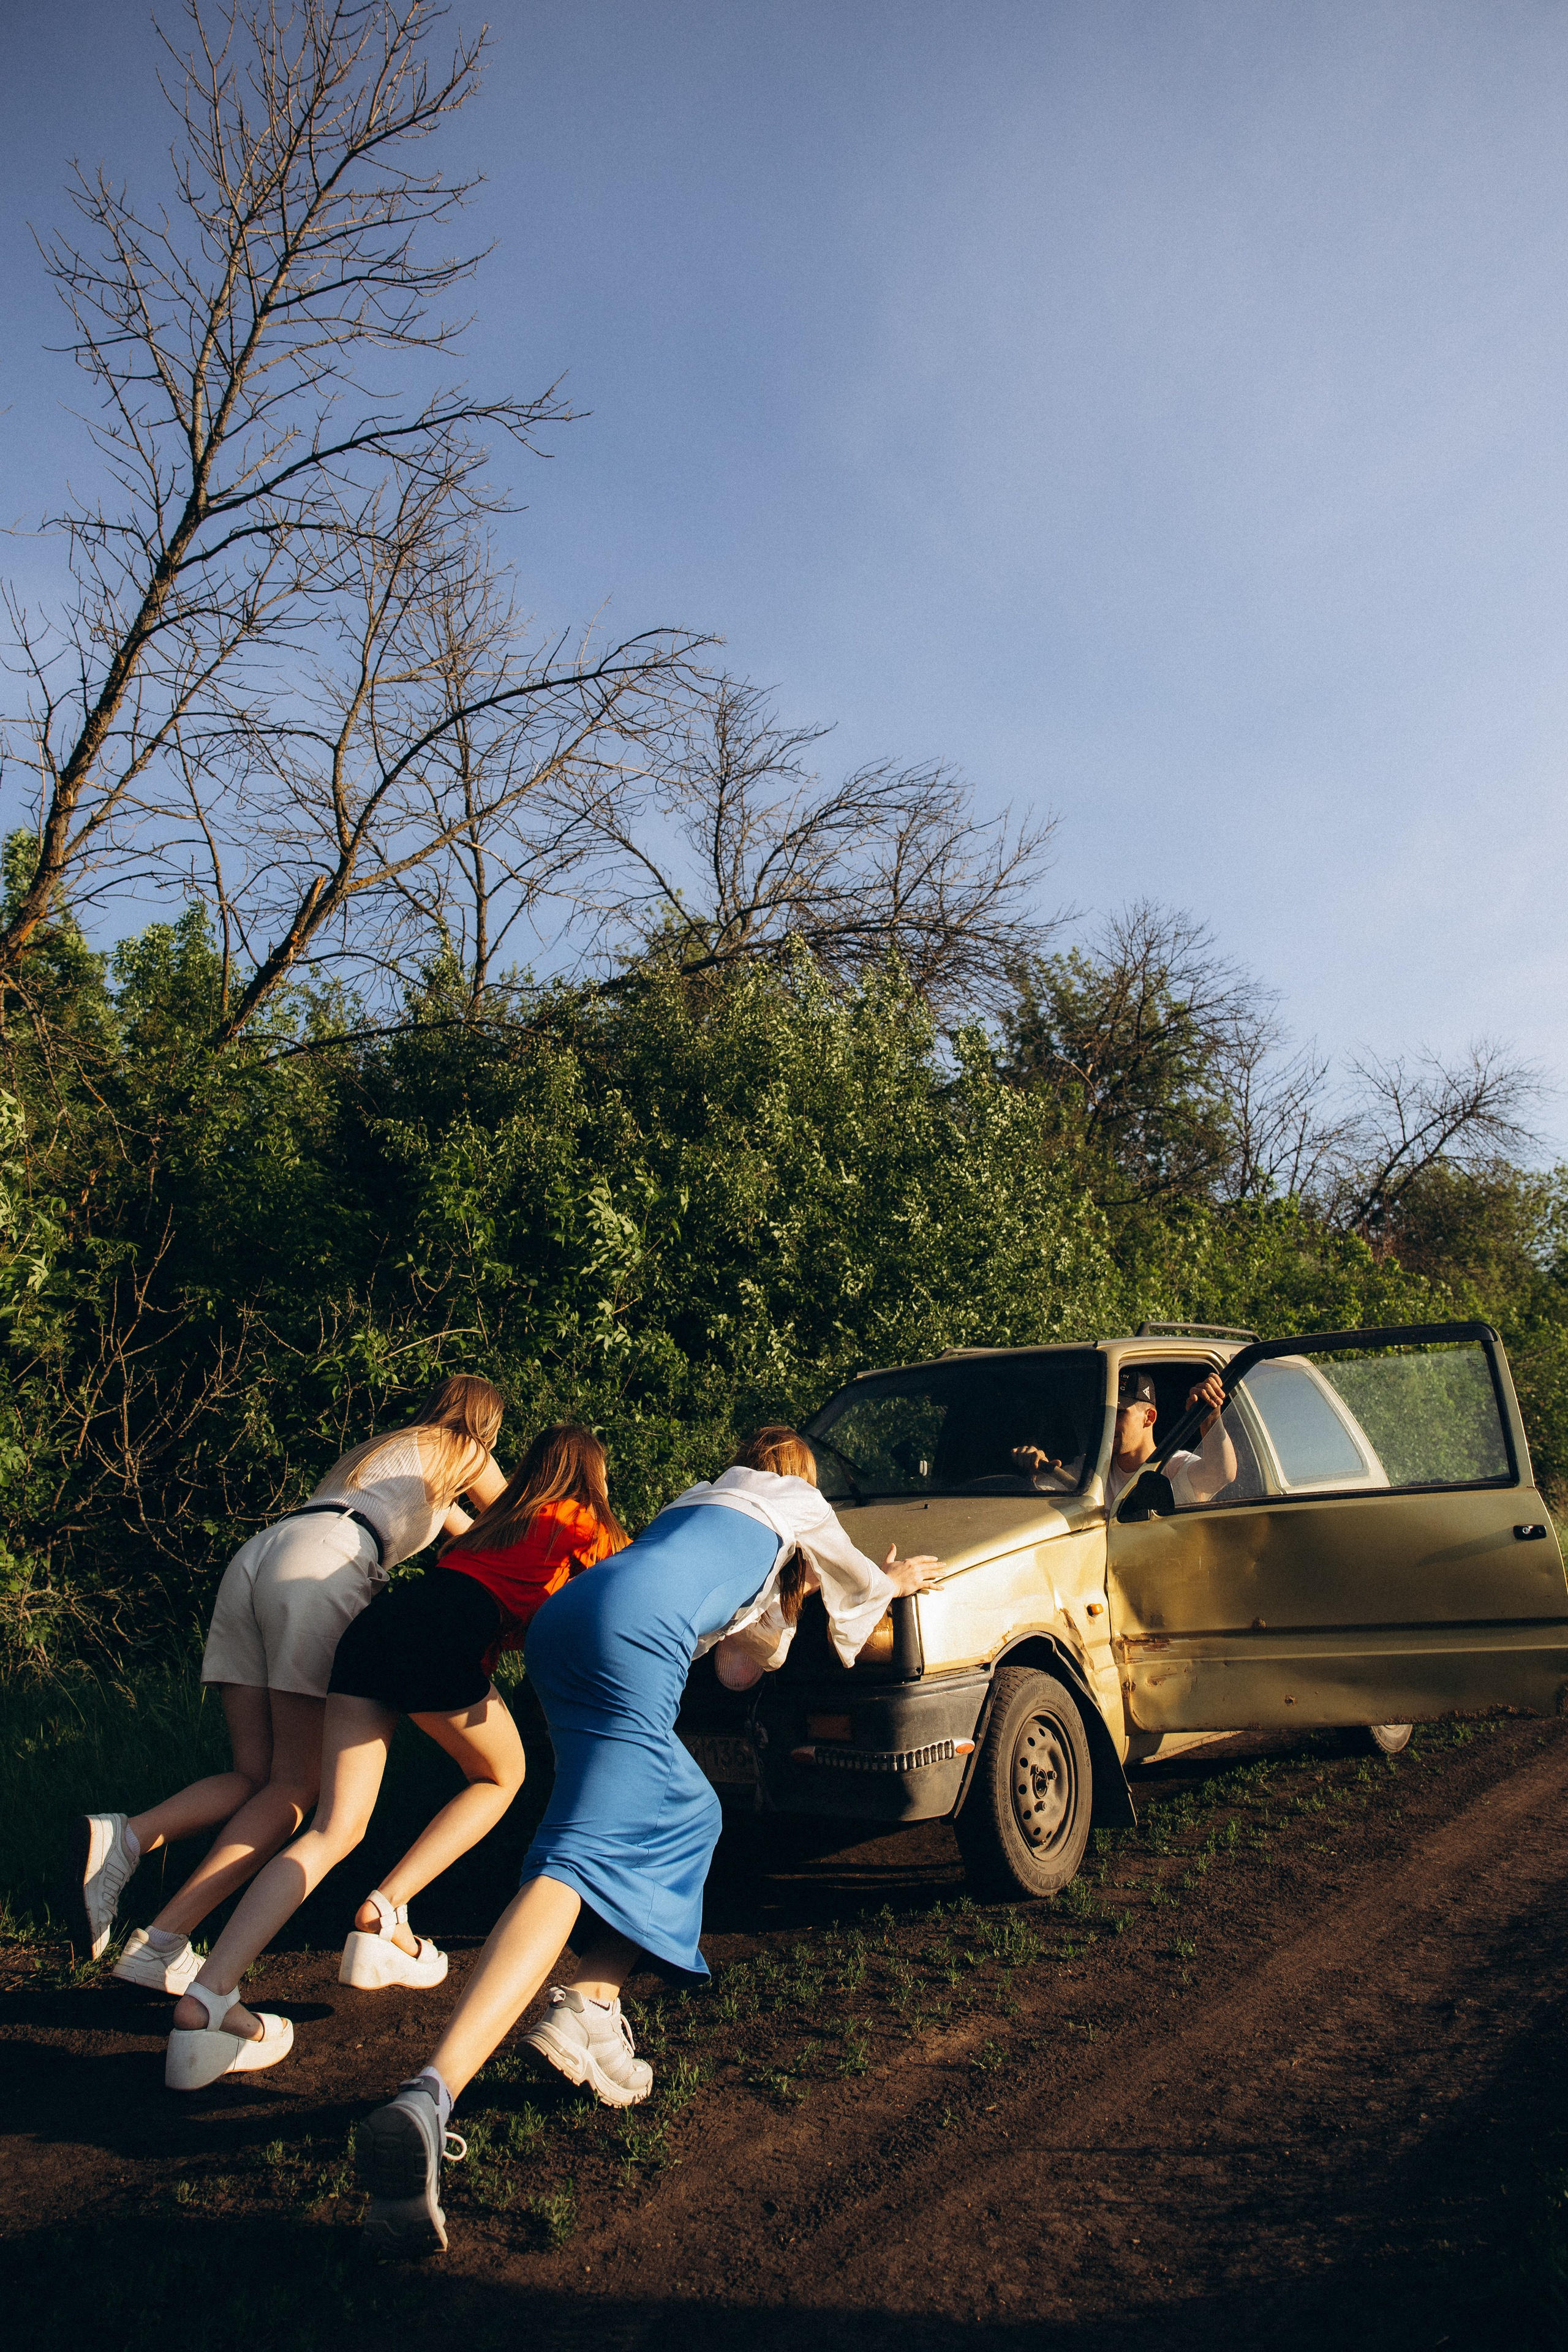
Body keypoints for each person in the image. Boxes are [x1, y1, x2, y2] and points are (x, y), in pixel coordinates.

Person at [351, 1425, 945, 2258]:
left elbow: (734, 1662)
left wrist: (783, 1599)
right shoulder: (798, 1505)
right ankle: (429, 2095)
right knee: (576, 1856)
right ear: (801, 1476)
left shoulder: (698, 1501)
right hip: (630, 1646)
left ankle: (592, 2006)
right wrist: (891, 1578)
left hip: (568, 1627)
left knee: (693, 1814)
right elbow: (840, 1619)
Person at [163, 1424, 625, 2092]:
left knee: (333, 1827)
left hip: (373, 1630)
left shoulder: (491, 1528)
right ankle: (385, 1911)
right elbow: (628, 1589)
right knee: (504, 1774)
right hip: (438, 1643)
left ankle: (206, 2000)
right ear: (593, 1475)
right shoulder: (585, 1521)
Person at [71, 1375, 508, 2003]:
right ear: (483, 1423)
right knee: (301, 1789)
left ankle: (148, 1902)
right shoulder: (462, 1446)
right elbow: (518, 1520)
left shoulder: (390, 1452)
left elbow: (465, 1535)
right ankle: (147, 1886)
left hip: (264, 1558)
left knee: (260, 1778)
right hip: (327, 1565)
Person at [1102, 1366, 1237, 1512]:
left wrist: (1210, 1419)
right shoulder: (1094, 1470)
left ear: (1149, 1418)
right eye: (1106, 1414)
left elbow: (1221, 1475)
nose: (1109, 1422)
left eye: (1120, 1413)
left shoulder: (1175, 1467)